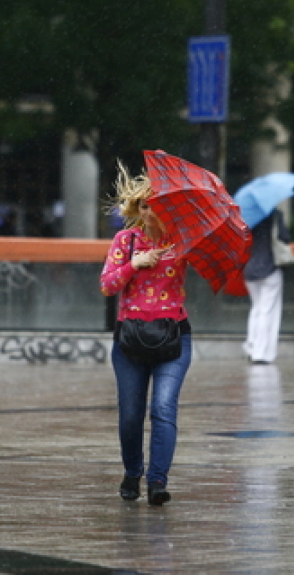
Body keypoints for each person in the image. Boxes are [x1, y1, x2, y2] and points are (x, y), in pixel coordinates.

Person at [99, 163, 192, 506]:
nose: (151, 211)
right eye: (145, 204)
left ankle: (157, 481)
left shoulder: (182, 242)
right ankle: (132, 471)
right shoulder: (126, 240)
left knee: (164, 408)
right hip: (130, 339)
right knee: (130, 414)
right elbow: (108, 286)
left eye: (158, 204)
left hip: (173, 336)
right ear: (137, 209)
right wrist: (134, 265)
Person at [242, 208, 290, 365]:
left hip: (249, 269)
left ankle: (251, 345)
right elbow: (285, 238)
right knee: (267, 311)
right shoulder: (275, 214)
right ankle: (261, 353)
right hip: (269, 267)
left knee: (256, 308)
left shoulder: (245, 216)